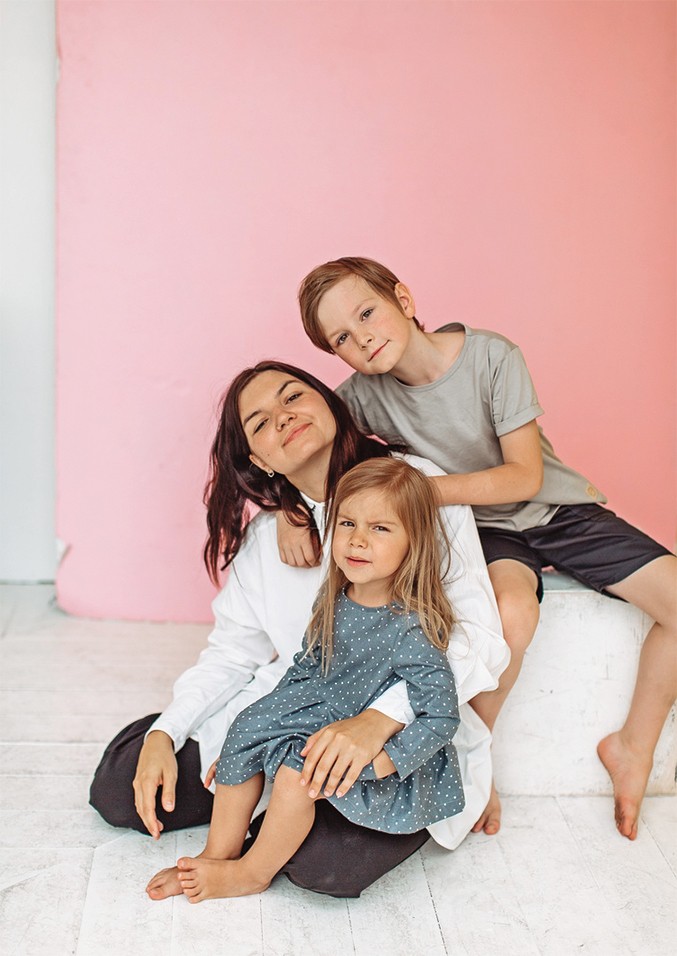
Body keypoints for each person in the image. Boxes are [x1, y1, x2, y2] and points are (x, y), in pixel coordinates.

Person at [89, 360, 508, 900]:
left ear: (330, 403)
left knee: (324, 865)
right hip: (301, 712)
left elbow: (476, 636)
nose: (283, 417)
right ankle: (249, 818)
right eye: (261, 422)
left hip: (392, 734)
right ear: (258, 460)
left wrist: (379, 719)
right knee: (121, 787)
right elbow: (233, 654)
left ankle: (266, 840)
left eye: (292, 397)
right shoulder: (271, 535)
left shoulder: (413, 485)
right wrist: (166, 734)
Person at [295, 256, 676, 842]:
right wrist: (289, 510)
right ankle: (473, 757)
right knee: (512, 616)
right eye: (341, 338)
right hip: (483, 529)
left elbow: (524, 476)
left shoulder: (492, 356)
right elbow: (307, 444)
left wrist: (421, 492)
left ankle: (632, 747)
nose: (362, 338)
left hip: (558, 508)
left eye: (367, 313)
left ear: (404, 299)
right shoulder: (361, 397)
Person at [172, 458, 465, 902]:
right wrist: (256, 735)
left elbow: (440, 717)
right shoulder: (336, 598)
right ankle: (218, 854)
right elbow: (307, 666)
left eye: (380, 528)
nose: (358, 539)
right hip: (323, 710)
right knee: (245, 728)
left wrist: (387, 761)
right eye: (348, 523)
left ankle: (252, 872)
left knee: (298, 775)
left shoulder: (411, 629)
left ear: (414, 542)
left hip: (377, 750)